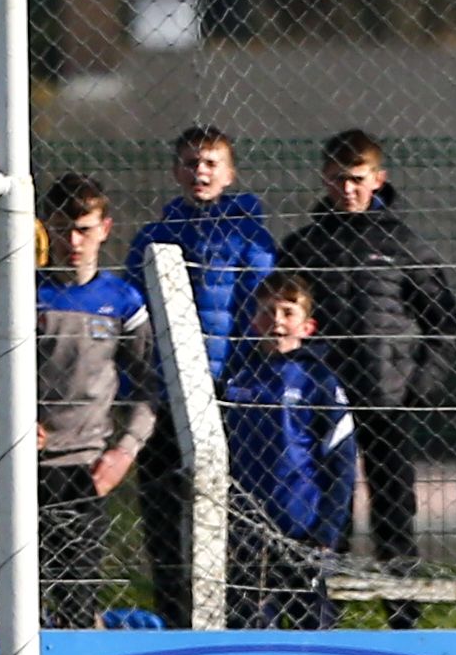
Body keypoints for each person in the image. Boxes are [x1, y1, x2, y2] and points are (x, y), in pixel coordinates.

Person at [271, 130, 456, 617]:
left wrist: (420, 384)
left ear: (379, 179)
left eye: (357, 179)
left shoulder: (403, 243)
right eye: (338, 179)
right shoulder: (305, 246)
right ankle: (316, 611)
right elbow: (280, 315)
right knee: (325, 506)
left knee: (394, 509)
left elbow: (443, 319)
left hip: (387, 396)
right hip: (322, 399)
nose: (348, 189)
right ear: (324, 179)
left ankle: (403, 615)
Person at [127, 127, 276, 616]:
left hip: (226, 392)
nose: (201, 172)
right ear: (177, 171)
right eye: (191, 163)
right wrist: (139, 386)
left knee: (234, 507)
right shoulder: (154, 237)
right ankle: (173, 611)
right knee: (163, 508)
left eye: (211, 163)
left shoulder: (250, 238)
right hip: (167, 393)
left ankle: (239, 610)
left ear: (229, 174)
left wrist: (241, 380)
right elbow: (135, 319)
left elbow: (258, 310)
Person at [32, 174, 155, 629]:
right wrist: (2, 421)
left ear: (104, 229)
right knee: (15, 599)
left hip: (84, 470)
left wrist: (125, 451)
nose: (73, 242)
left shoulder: (122, 302)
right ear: (46, 228)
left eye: (83, 229)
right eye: (62, 229)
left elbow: (151, 386)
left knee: (76, 600)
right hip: (18, 466)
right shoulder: (22, 294)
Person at [216, 275, 354, 629]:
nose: (276, 320)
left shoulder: (319, 382)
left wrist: (327, 530)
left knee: (312, 622)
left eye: (287, 312)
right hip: (244, 526)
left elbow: (342, 462)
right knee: (249, 621)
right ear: (253, 321)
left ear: (307, 327)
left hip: (301, 527)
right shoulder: (236, 377)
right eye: (267, 311)